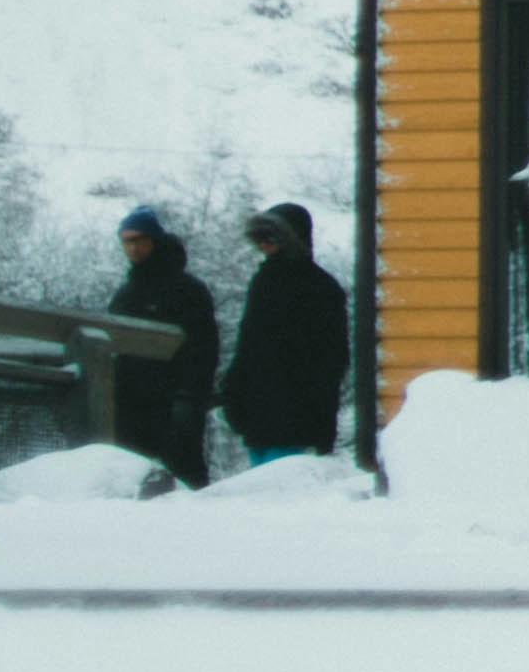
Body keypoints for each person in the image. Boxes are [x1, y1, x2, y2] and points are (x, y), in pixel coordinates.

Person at [221, 202, 351, 470]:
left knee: (282, 490)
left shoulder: (320, 289)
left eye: (272, 237)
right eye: (261, 238)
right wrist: (234, 392)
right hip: (259, 411)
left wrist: (323, 422)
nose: (265, 244)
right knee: (263, 489)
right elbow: (247, 346)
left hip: (297, 414)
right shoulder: (263, 282)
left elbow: (332, 361)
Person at [108, 206, 221, 484]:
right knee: (132, 478)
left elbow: (204, 347)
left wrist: (190, 395)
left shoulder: (186, 290)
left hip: (175, 400)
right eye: (126, 241)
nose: (132, 248)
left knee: (185, 475)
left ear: (154, 240)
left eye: (138, 240)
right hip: (131, 402)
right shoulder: (127, 293)